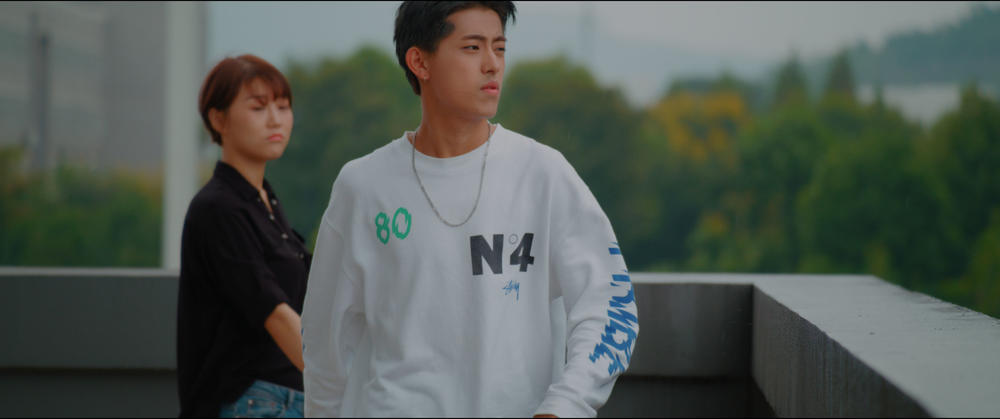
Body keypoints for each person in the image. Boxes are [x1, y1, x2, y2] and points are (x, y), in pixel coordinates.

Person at [301, 1, 638, 417]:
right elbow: (324, 344)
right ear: (420, 62)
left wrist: (565, 404)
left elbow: (610, 306)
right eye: (472, 48)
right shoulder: (362, 186)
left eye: (500, 47)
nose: (492, 65)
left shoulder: (542, 174)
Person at [177, 54, 311, 418]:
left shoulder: (265, 202)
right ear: (218, 119)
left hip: (290, 398)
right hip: (252, 402)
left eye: (283, 107)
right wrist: (341, 380)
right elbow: (273, 311)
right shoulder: (218, 208)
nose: (275, 119)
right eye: (258, 107)